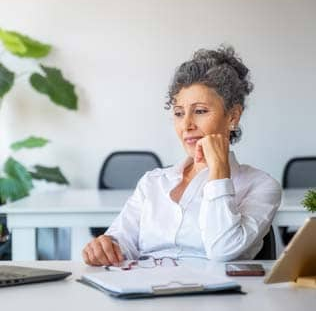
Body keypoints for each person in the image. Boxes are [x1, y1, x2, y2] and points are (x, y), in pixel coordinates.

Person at [82, 45, 281, 266]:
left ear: (233, 116)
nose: (186, 124)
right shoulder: (153, 182)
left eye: (200, 111)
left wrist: (219, 173)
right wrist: (106, 247)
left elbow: (223, 250)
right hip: (146, 294)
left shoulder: (261, 185)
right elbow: (122, 242)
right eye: (178, 113)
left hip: (217, 298)